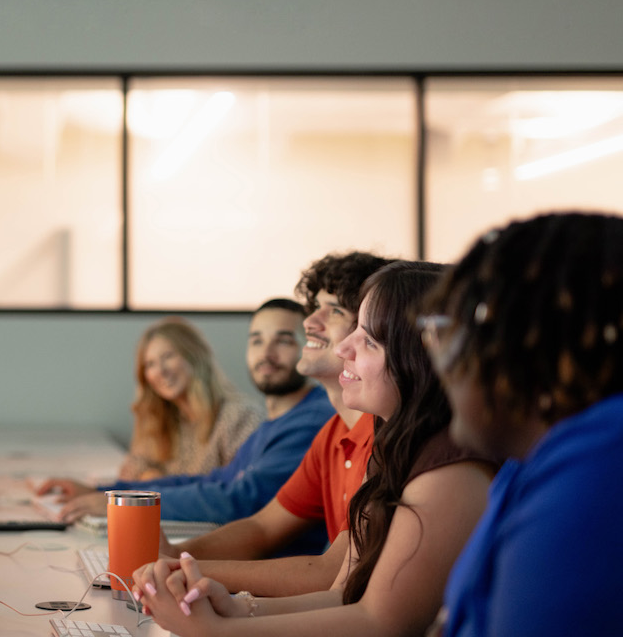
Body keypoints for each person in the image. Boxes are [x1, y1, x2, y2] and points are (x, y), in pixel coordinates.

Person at [135, 260, 496, 637]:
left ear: (418, 359)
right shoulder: (393, 446)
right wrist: (237, 609)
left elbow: (381, 623)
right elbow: (343, 593)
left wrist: (213, 630)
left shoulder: (450, 470)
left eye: (369, 339)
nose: (344, 348)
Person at [421, 213, 623, 636]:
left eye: (445, 330)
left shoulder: (599, 466)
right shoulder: (527, 461)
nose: (436, 355)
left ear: (520, 342)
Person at [161, 251, 392, 596]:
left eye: (335, 311)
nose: (310, 322)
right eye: (315, 307)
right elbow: (262, 527)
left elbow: (333, 575)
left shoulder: (384, 439)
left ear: (369, 329)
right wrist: (171, 557)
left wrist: (181, 568)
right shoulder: (332, 432)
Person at [39, 299, 334, 541]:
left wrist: (126, 503)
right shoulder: (275, 424)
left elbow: (238, 500)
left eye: (283, 341)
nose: (266, 354)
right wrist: (108, 493)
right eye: (256, 341)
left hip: (260, 570)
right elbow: (213, 481)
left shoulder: (307, 420)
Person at [116, 316, 263, 481]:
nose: (160, 371)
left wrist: (161, 484)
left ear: (195, 356)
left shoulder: (240, 415)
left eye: (168, 356)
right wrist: (150, 475)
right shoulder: (158, 418)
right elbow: (132, 467)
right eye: (150, 364)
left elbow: (240, 489)